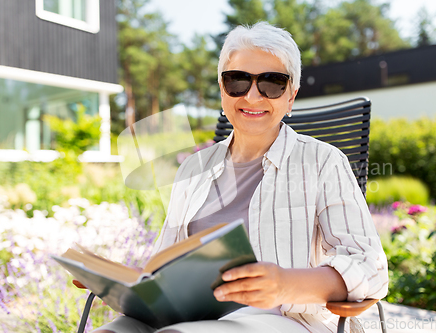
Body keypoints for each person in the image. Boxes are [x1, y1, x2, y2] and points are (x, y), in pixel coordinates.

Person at [93, 22, 388, 333]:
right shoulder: (193, 169)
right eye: (237, 81)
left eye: (272, 83)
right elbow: (164, 266)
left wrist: (285, 284)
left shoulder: (323, 162)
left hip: (287, 322)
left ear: (291, 97)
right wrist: (125, 283)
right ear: (222, 90)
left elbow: (372, 268)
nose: (252, 96)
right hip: (186, 318)